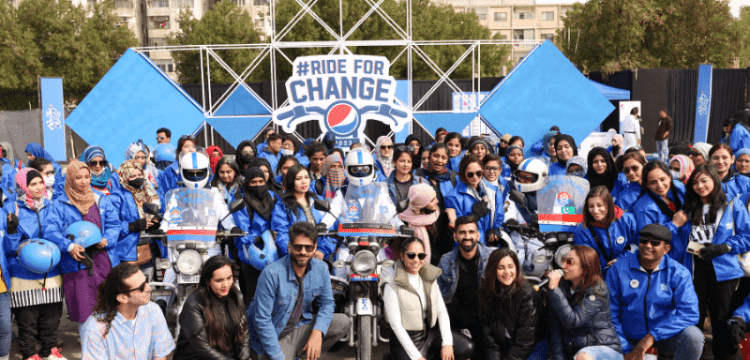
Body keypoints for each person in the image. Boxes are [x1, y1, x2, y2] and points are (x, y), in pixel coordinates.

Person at [671, 164, 750, 360]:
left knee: (721, 319)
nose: (700, 186)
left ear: (715, 180)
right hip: (694, 269)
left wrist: (723, 247)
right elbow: (680, 241)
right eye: (695, 182)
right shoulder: (688, 208)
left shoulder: (733, 204)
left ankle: (725, 356)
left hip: (724, 270)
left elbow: (747, 236)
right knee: (693, 317)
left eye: (704, 180)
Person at [247, 222, 350, 360]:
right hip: (272, 338)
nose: (303, 252)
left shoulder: (321, 269)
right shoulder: (271, 274)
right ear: (290, 247)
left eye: (308, 247)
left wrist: (318, 331)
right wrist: (278, 356)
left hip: (298, 327)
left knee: (342, 322)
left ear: (315, 249)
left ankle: (303, 355)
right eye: (298, 247)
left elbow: (327, 303)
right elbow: (262, 321)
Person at [606, 224, 703, 360]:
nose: (648, 246)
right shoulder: (618, 269)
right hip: (628, 338)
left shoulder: (679, 273)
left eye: (655, 243)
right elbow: (609, 313)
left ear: (666, 249)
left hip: (665, 337)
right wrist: (624, 348)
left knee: (694, 336)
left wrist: (652, 336)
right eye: (644, 241)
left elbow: (690, 313)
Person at [46, 160, 121, 329]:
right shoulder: (60, 204)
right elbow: (50, 230)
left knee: (107, 308)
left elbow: (114, 224)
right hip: (77, 264)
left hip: (103, 261)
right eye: (78, 177)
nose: (84, 181)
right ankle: (89, 348)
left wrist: (107, 239)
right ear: (70, 179)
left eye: (86, 177)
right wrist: (68, 246)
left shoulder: (100, 199)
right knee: (85, 312)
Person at [6, 168, 66, 360]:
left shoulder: (52, 206)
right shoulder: (12, 208)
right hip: (23, 273)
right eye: (33, 184)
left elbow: (59, 232)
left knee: (52, 318)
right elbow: (8, 247)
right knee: (27, 320)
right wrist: (12, 230)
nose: (39, 187)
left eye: (40, 182)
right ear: (23, 186)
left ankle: (49, 350)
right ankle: (30, 353)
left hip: (51, 271)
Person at [383, 237, 473, 360]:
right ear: (402, 256)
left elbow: (441, 311)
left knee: (467, 347)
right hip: (408, 338)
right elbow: (396, 326)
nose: (416, 260)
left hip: (431, 332)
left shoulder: (429, 276)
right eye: (411, 255)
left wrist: (447, 343)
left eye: (420, 256)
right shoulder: (391, 284)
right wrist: (417, 357)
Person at [81, 263, 175, 360]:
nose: (149, 288)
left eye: (146, 282)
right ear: (123, 297)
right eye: (141, 287)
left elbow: (160, 354)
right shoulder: (95, 328)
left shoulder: (153, 310)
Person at [547, 245, 623, 360]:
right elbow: (556, 329)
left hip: (603, 351)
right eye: (563, 260)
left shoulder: (597, 290)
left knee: (583, 356)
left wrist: (554, 290)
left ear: (585, 268)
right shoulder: (561, 289)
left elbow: (573, 320)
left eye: (569, 262)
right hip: (576, 353)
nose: (563, 266)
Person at [174, 256, 250, 360]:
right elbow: (202, 346)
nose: (226, 284)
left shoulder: (236, 296)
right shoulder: (194, 304)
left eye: (229, 278)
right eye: (219, 280)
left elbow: (243, 332)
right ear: (207, 281)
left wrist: (244, 358)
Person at [437, 216, 492, 359]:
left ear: (478, 235)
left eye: (471, 232)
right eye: (462, 232)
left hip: (485, 315)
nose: (467, 237)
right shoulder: (446, 260)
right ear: (455, 236)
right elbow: (436, 295)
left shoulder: (491, 258)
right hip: (459, 313)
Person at [477, 248, 543, 360]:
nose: (507, 272)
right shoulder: (485, 293)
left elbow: (525, 342)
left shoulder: (527, 294)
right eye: (501, 268)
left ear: (517, 268)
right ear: (493, 270)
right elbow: (490, 341)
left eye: (511, 267)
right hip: (505, 344)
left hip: (531, 346)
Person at [232, 167, 278, 303]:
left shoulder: (272, 197)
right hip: (251, 255)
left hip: (274, 252)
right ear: (247, 183)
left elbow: (278, 220)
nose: (258, 185)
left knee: (274, 295)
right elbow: (242, 230)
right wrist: (256, 238)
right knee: (253, 297)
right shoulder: (241, 199)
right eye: (253, 182)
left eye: (260, 181)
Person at [111, 160, 161, 280]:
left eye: (139, 174)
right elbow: (112, 225)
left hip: (149, 247)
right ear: (124, 177)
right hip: (127, 251)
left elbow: (155, 212)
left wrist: (155, 222)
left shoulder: (146, 193)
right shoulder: (117, 197)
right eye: (132, 176)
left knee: (149, 286)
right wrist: (132, 226)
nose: (137, 178)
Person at [270, 164, 334, 257]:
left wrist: (322, 251)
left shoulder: (318, 200)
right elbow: (281, 235)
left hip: (320, 257)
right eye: (298, 179)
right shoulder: (282, 206)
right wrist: (298, 252)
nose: (304, 181)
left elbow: (330, 228)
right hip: (297, 257)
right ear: (291, 182)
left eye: (306, 177)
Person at [574, 186, 638, 272]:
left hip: (627, 270)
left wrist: (621, 260)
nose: (595, 211)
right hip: (600, 275)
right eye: (591, 206)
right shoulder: (582, 230)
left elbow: (637, 245)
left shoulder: (628, 220)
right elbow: (586, 261)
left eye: (599, 205)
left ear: (608, 205)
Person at [445, 154, 503, 243]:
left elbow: (499, 214)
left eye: (478, 173)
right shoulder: (452, 197)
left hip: (489, 245)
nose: (475, 177)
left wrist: (495, 229)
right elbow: (458, 229)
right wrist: (474, 216)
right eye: (470, 174)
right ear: (463, 173)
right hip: (469, 246)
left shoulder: (494, 191)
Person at [415, 143, 458, 259]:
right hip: (424, 231)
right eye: (436, 156)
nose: (439, 160)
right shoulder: (418, 176)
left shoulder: (452, 178)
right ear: (430, 156)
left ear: (447, 159)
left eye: (443, 157)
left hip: (447, 232)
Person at [503, 158, 548, 262]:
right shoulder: (513, 194)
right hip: (518, 242)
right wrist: (510, 221)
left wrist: (543, 219)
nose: (522, 180)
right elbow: (508, 212)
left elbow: (567, 215)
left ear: (540, 178)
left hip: (543, 243)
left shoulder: (550, 194)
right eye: (520, 177)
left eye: (527, 178)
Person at [631, 161, 686, 235]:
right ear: (647, 184)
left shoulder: (679, 187)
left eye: (662, 179)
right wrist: (674, 224)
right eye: (653, 182)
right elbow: (645, 239)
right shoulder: (644, 209)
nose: (659, 185)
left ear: (669, 177)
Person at [397, 184, 439, 264]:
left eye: (435, 197)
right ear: (421, 205)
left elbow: (444, 245)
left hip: (434, 267)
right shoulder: (403, 221)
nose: (437, 201)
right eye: (432, 200)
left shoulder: (437, 216)